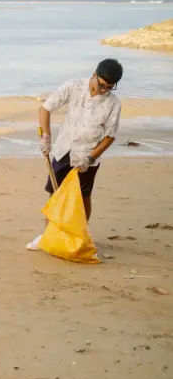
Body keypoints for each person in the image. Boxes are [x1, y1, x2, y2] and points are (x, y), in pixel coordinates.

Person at [26, 58, 123, 250]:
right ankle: (47, 237)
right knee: (55, 194)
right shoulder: (74, 86)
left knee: (83, 196)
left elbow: (110, 136)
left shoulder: (114, 104)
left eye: (109, 88)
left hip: (87, 156)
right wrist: (46, 136)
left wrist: (91, 158)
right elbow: (45, 108)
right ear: (94, 75)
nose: (104, 90)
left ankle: (79, 236)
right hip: (64, 150)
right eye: (102, 85)